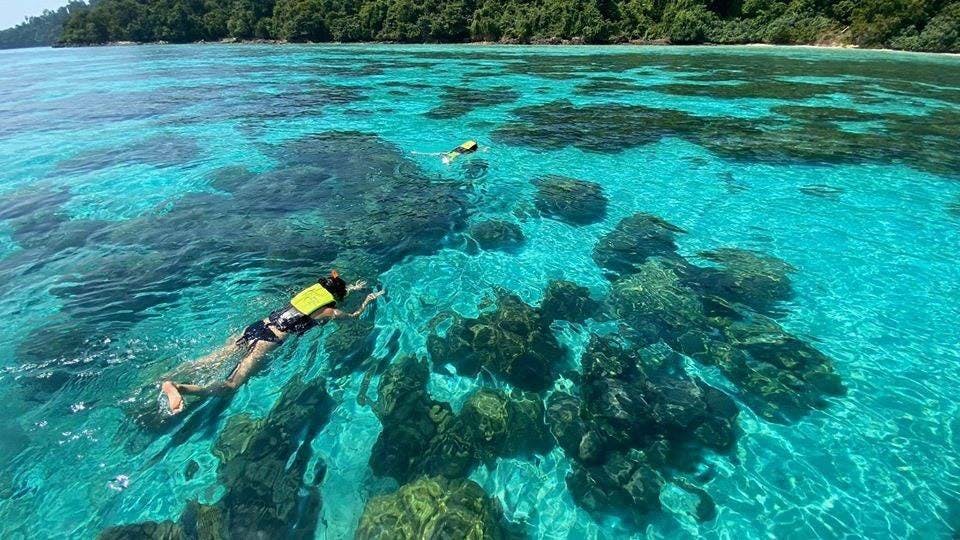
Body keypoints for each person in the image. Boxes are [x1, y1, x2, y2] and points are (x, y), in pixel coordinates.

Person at [161, 270, 384, 414]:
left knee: (209, 360)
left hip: (256, 327)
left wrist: (351, 287)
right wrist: (367, 300)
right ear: (336, 296)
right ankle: (179, 387)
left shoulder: (307, 297)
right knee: (231, 386)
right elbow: (353, 316)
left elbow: (329, 293)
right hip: (268, 341)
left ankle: (166, 378)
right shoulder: (328, 311)